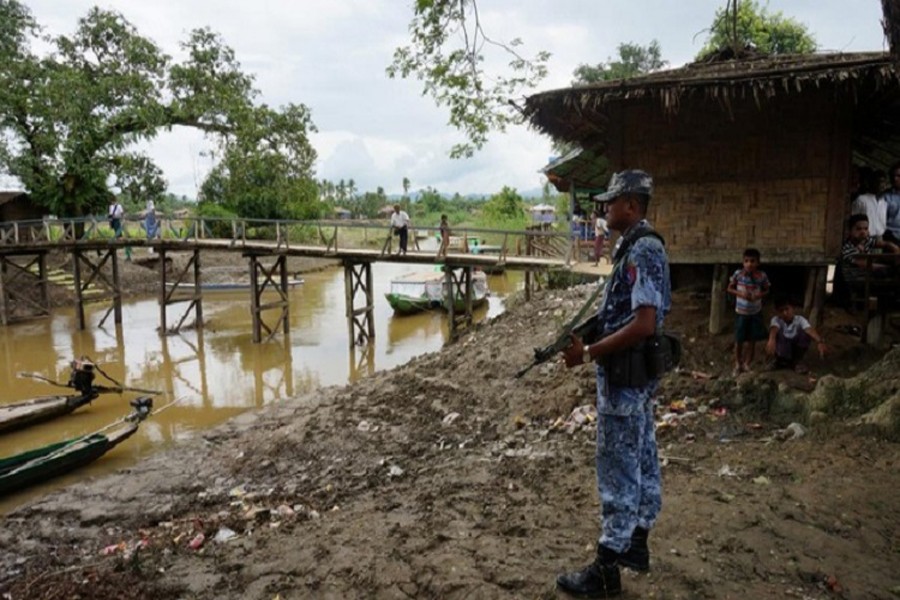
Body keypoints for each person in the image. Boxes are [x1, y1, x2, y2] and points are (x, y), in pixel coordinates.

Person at [557, 169, 671, 599]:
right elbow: (630, 314)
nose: (604, 208)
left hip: (624, 380)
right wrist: (592, 332)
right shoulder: (639, 246)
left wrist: (587, 354)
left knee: (617, 470)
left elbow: (643, 324)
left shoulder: (642, 250)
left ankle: (606, 570)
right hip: (634, 378)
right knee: (641, 457)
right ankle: (636, 544)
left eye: (611, 201)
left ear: (632, 205)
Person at [726, 248, 770, 376]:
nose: (749, 264)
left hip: (755, 312)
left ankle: (747, 364)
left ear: (758, 263)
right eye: (746, 261)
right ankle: (737, 363)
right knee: (739, 339)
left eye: (752, 261)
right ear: (743, 262)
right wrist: (740, 293)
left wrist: (759, 295)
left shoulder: (762, 276)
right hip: (741, 312)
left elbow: (767, 290)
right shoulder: (738, 275)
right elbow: (729, 288)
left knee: (752, 339)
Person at [765, 296, 828, 373]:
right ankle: (779, 361)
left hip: (795, 349)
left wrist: (820, 341)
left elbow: (809, 329)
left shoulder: (800, 319)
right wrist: (771, 339)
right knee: (775, 334)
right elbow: (774, 328)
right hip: (782, 349)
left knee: (805, 333)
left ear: (792, 308)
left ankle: (797, 362)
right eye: (781, 311)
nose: (785, 313)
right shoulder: (776, 320)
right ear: (778, 312)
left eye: (787, 309)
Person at [840, 214, 900, 285]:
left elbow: (885, 244)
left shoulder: (866, 241)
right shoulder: (847, 247)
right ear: (850, 231)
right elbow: (864, 264)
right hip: (858, 280)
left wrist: (894, 248)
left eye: (866, 229)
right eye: (858, 229)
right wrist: (890, 268)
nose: (863, 232)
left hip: (870, 277)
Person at [850, 167, 887, 240]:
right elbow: (853, 220)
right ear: (872, 183)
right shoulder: (862, 199)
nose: (882, 185)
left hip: (879, 238)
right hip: (864, 238)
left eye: (884, 182)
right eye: (879, 182)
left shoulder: (883, 202)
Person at [882, 161, 900, 245]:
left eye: (899, 176)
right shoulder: (885, 196)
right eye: (893, 176)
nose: (895, 179)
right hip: (891, 236)